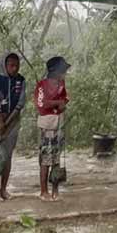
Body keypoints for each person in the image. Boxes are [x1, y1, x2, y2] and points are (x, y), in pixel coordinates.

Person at [0, 52, 26, 201]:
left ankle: (4, 189)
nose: (15, 68)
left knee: (8, 156)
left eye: (17, 65)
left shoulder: (21, 81)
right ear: (4, 65)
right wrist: (1, 124)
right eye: (11, 65)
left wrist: (8, 123)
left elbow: (20, 103)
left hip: (13, 121)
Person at [34, 56, 70, 201]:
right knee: (45, 159)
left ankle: (55, 189)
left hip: (59, 123)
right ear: (54, 71)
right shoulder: (42, 85)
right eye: (63, 70)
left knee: (56, 159)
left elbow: (65, 99)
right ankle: (43, 191)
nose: (64, 73)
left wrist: (62, 103)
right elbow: (41, 104)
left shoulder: (61, 83)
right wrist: (58, 103)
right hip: (47, 125)